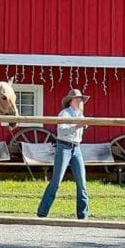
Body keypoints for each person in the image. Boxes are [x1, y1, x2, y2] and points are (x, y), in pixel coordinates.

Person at [37, 89, 90, 220]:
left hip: (76, 148)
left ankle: (83, 216)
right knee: (56, 181)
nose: (80, 101)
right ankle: (42, 212)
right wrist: (77, 126)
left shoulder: (80, 114)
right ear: (72, 100)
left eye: (81, 99)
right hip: (64, 147)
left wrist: (82, 125)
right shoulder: (64, 113)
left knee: (82, 182)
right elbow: (62, 131)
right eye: (78, 98)